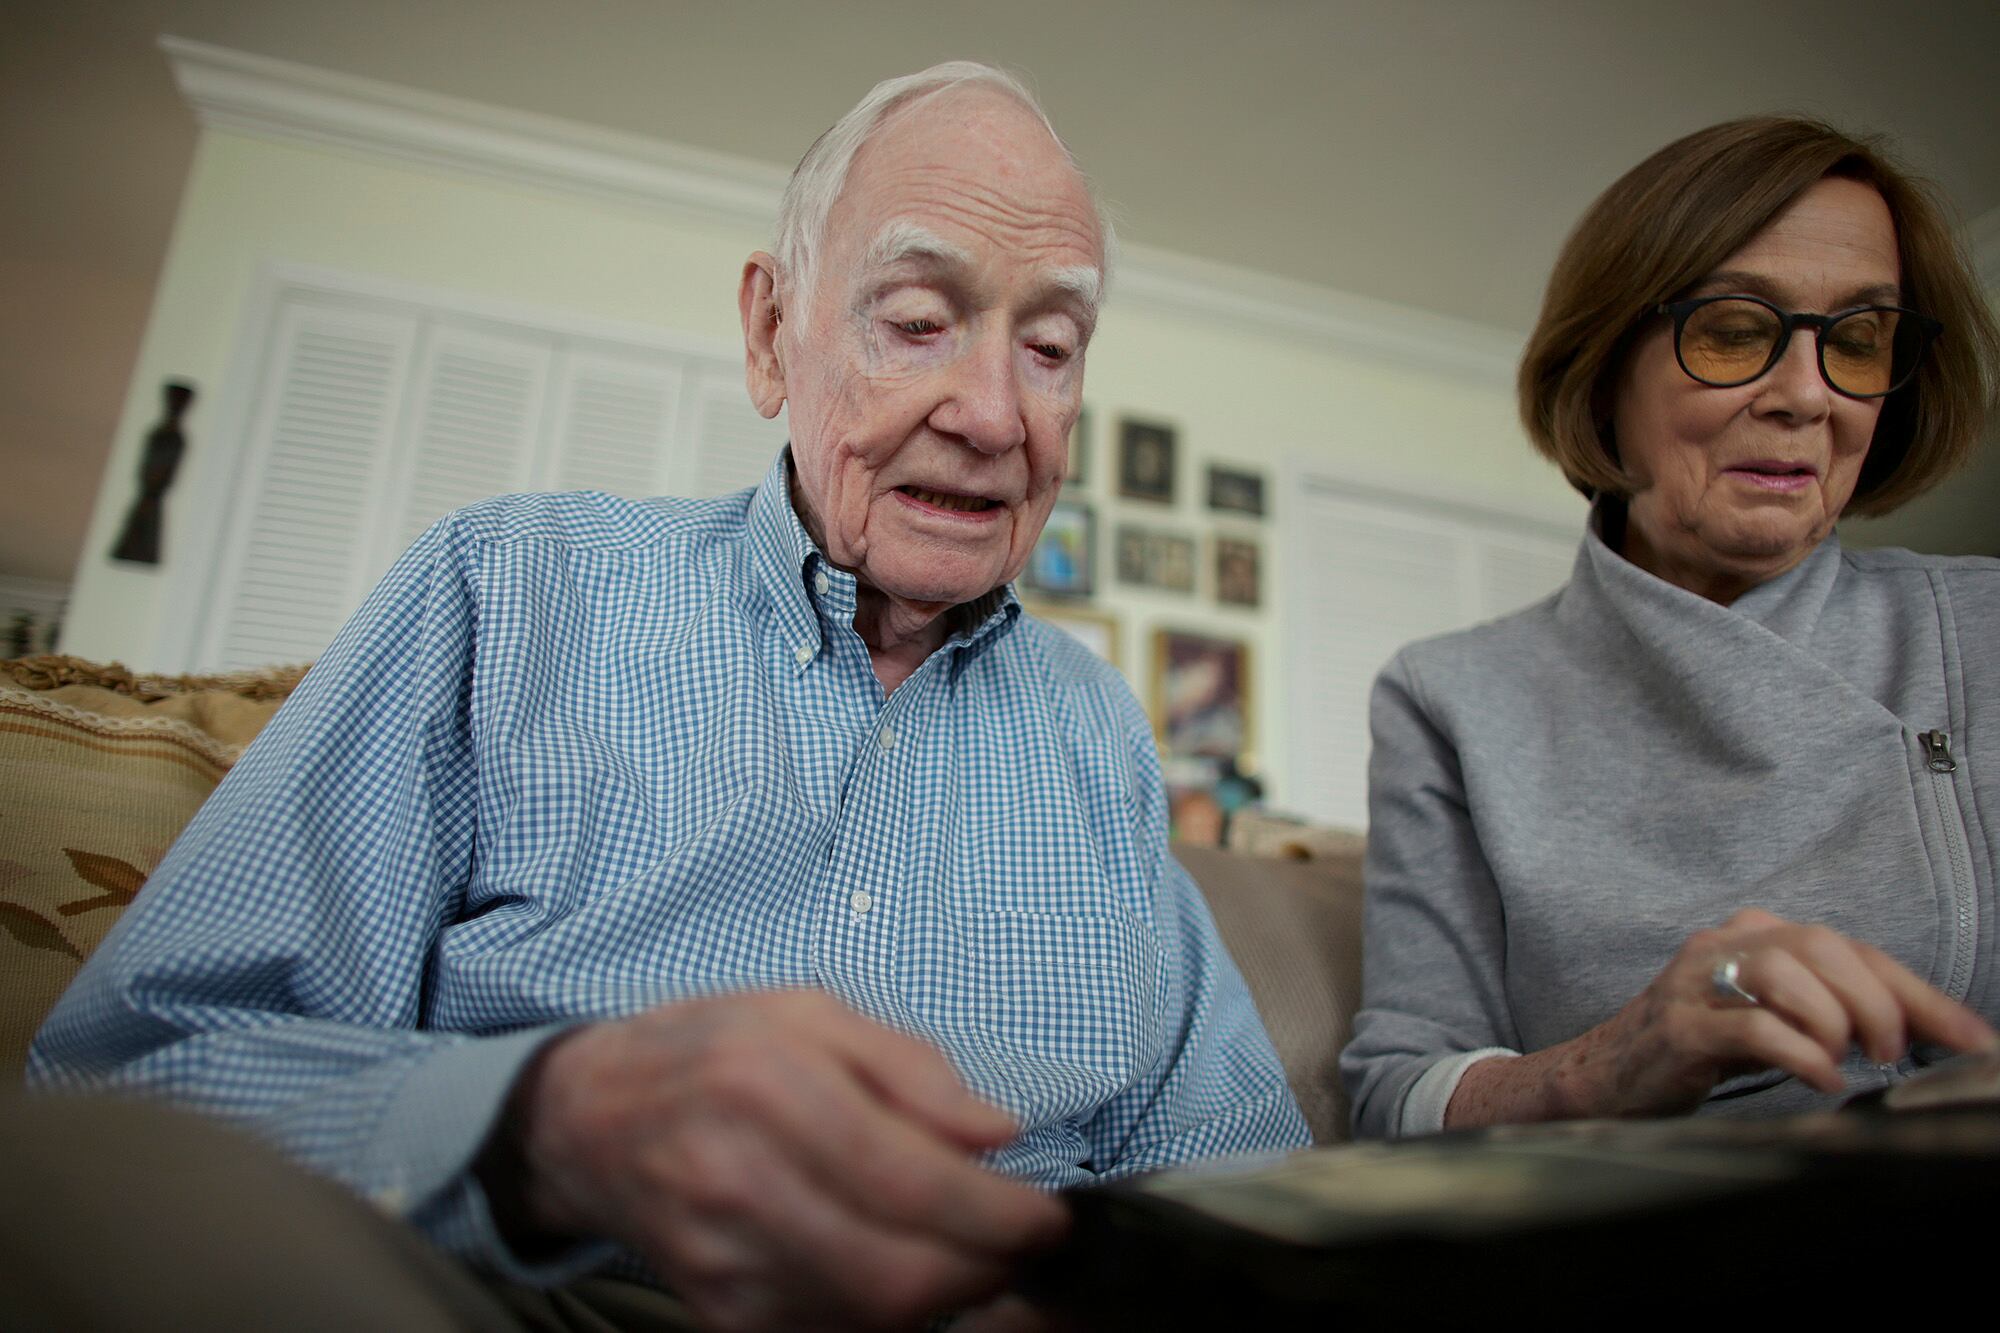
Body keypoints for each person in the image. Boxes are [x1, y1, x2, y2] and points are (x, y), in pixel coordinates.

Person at [30, 63, 1308, 1328]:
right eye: (918, 320)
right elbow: (119, 1090)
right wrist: (548, 1134)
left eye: (1049, 347)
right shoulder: (511, 591)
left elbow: (1248, 1174)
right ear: (770, 333)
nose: (990, 412)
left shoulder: (1095, 731)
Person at [1341, 116, 2000, 1140]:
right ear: (1605, 367)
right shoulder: (1451, 697)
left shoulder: (1978, 623)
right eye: (1736, 330)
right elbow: (1397, 1094)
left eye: (1858, 341)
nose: (1806, 395)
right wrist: (1619, 1056)